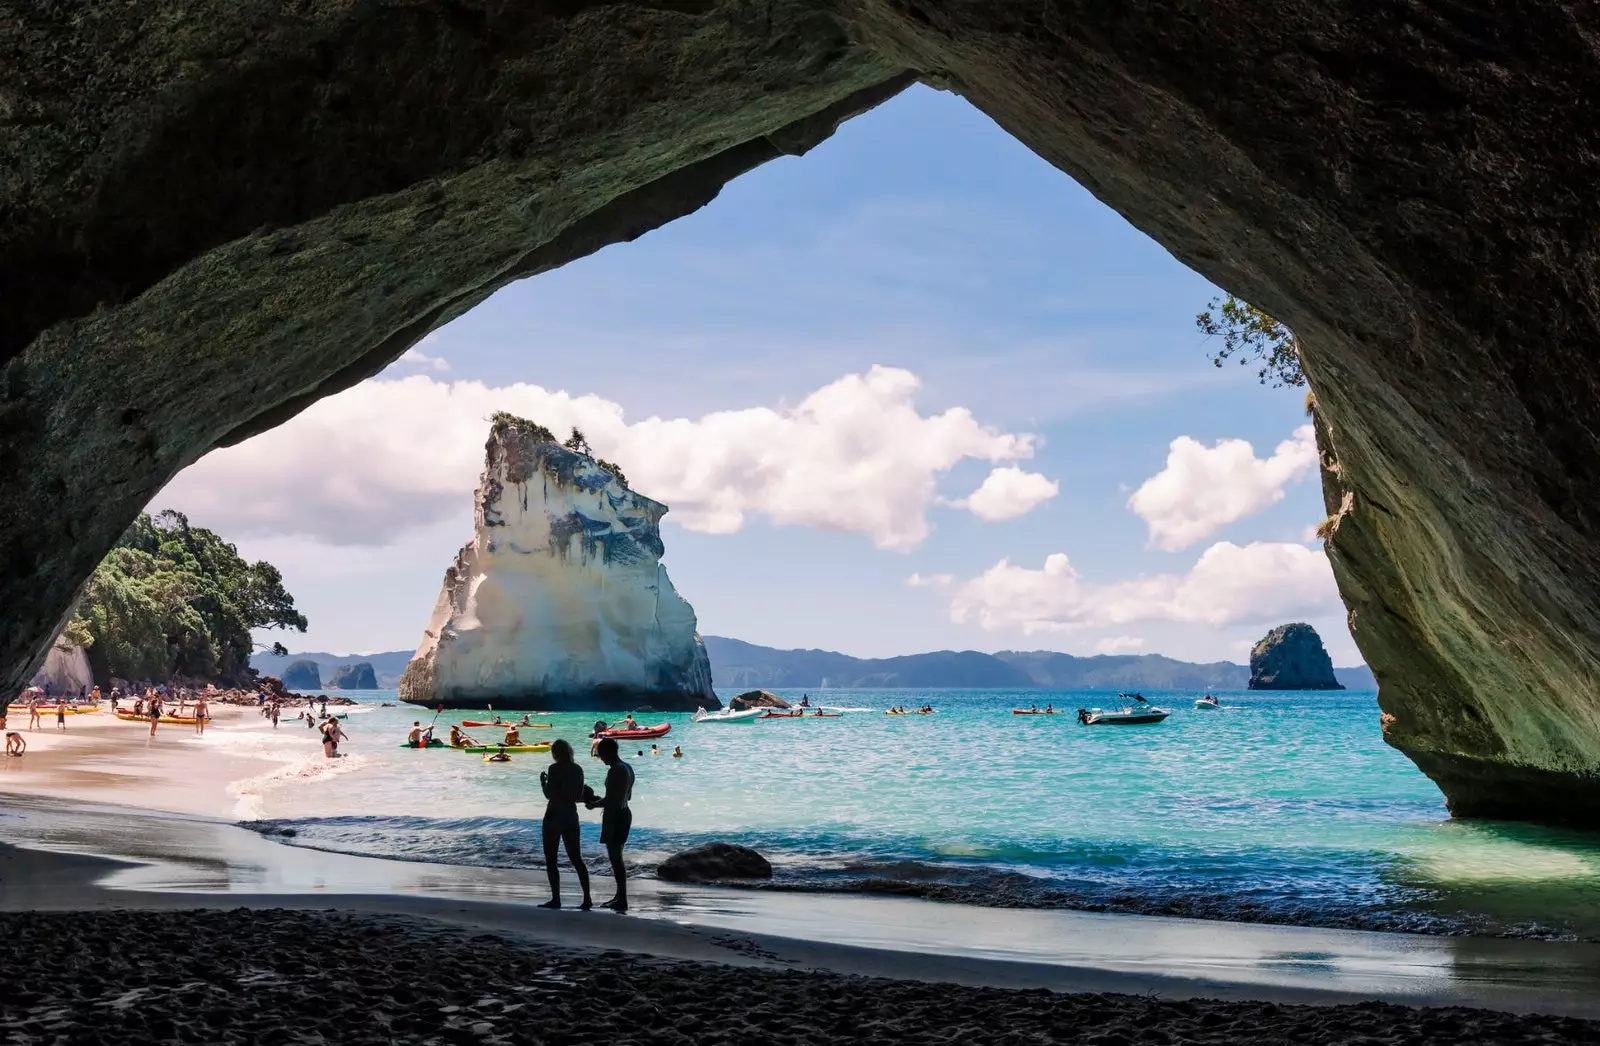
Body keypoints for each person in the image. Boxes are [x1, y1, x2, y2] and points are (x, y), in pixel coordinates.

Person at [538, 738, 592, 910]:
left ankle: (556, 899)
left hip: (554, 814)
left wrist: (543, 783)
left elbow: (550, 795)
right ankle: (587, 898)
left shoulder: (554, 769)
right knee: (576, 858)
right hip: (570, 814)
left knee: (551, 859)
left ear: (555, 753)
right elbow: (578, 795)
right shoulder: (578, 769)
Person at [586, 737, 635, 913]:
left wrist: (594, 804)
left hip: (615, 816)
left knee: (616, 858)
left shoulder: (616, 770)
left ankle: (621, 898)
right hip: (624, 813)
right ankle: (619, 896)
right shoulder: (627, 767)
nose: (600, 758)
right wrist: (600, 802)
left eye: (601, 755)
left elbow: (612, 800)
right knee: (617, 857)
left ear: (608, 752)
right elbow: (625, 796)